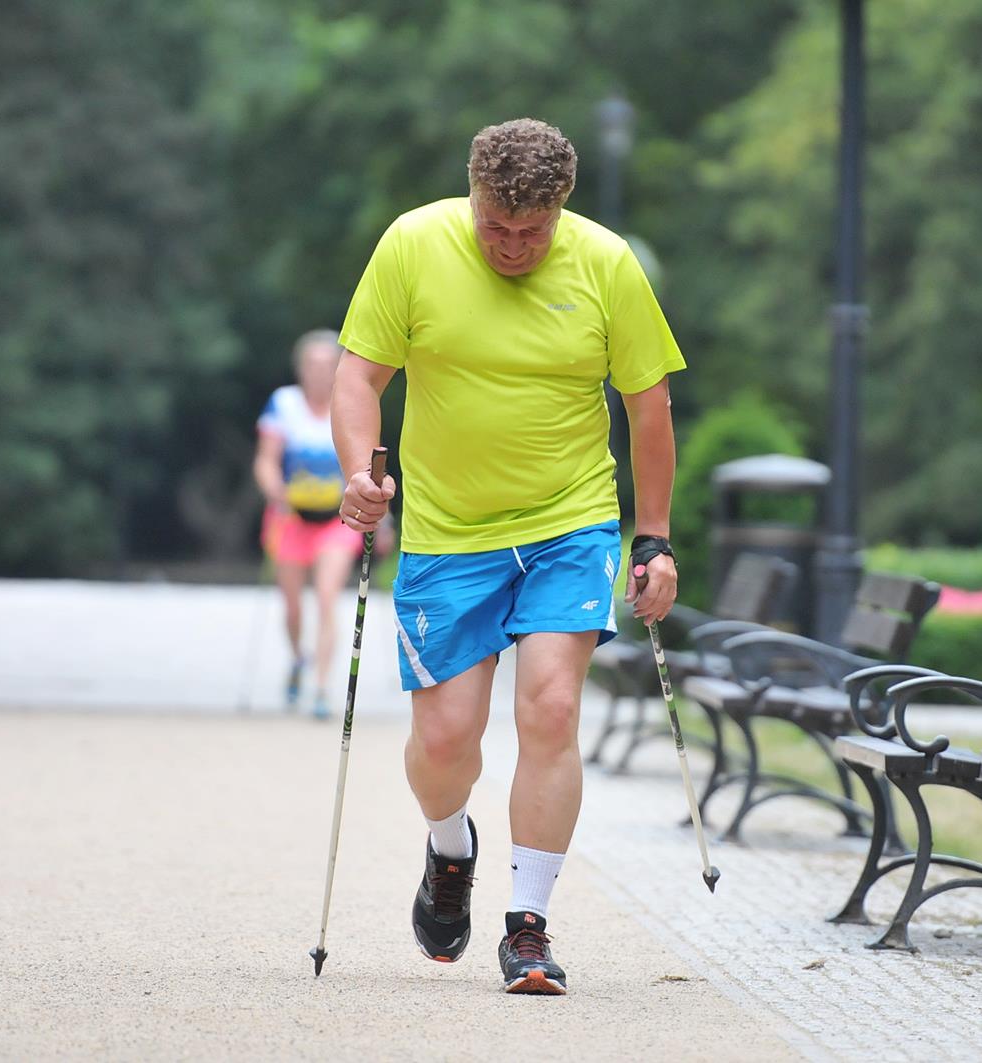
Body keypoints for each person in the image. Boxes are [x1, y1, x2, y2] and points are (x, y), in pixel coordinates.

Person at [332, 118, 683, 995]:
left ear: (562, 209)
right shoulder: (414, 244)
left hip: (571, 521)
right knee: (445, 739)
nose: (514, 246)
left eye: (534, 230)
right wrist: (358, 474)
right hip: (450, 531)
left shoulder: (606, 264)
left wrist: (653, 537)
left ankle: (528, 926)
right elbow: (358, 375)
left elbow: (648, 408)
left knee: (553, 708)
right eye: (496, 225)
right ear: (473, 195)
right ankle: (450, 847)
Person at [253, 330, 377, 717]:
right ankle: (297, 658)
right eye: (312, 364)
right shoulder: (285, 404)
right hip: (291, 515)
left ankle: (321, 687)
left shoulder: (349, 402)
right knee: (292, 606)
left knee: (326, 597)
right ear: (300, 368)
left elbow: (367, 461)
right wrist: (275, 490)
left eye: (328, 365)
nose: (320, 372)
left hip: (336, 520)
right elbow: (266, 460)